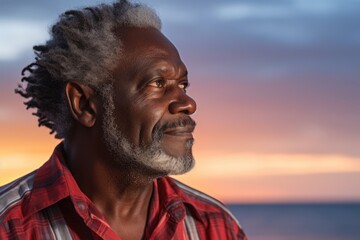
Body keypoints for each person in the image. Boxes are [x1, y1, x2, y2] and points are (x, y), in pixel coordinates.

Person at [0, 1, 247, 239]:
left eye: (183, 84)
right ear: (84, 104)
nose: (188, 103)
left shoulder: (215, 226)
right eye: (157, 83)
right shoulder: (9, 227)